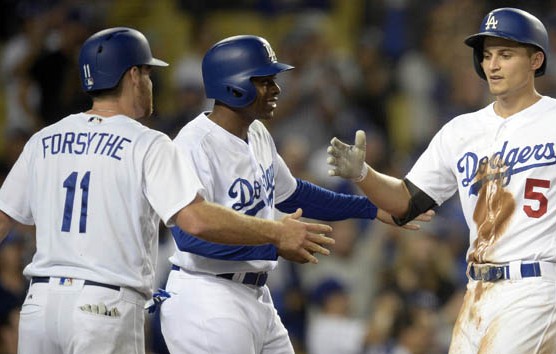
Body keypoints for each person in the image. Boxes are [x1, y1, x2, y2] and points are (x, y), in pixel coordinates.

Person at [0, 27, 336, 354]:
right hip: (103, 308)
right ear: (133, 75)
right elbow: (196, 219)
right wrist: (275, 233)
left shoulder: (44, 140)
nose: (150, 84)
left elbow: (3, 219)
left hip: (39, 306)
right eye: (148, 75)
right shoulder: (147, 142)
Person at [327, 7, 556, 353]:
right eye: (487, 55)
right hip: (476, 292)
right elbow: (405, 202)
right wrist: (363, 174)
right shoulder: (461, 131)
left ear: (536, 59)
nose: (492, 65)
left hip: (536, 287)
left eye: (505, 54)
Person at [158, 35, 432, 354]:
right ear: (234, 86)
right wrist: (274, 240)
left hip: (255, 295)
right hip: (206, 296)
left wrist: (371, 208)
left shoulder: (257, 133)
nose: (276, 90)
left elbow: (293, 194)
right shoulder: (192, 145)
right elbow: (191, 236)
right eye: (265, 81)